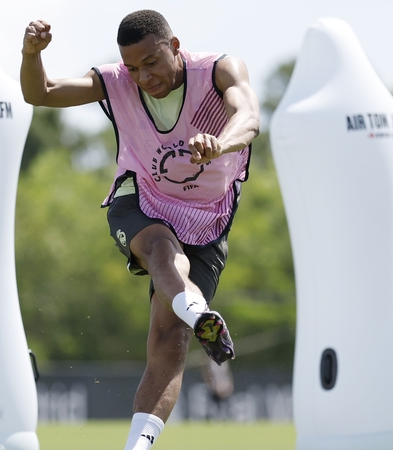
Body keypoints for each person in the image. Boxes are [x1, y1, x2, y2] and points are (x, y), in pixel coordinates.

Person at [20, 10, 260, 449]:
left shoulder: (220, 69)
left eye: (151, 63)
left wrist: (219, 143)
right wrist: (30, 54)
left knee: (169, 339)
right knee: (162, 253)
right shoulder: (116, 80)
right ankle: (198, 311)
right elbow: (42, 93)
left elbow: (248, 116)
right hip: (142, 197)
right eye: (132, 68)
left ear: (174, 46)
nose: (142, 77)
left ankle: (138, 445)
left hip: (208, 218)